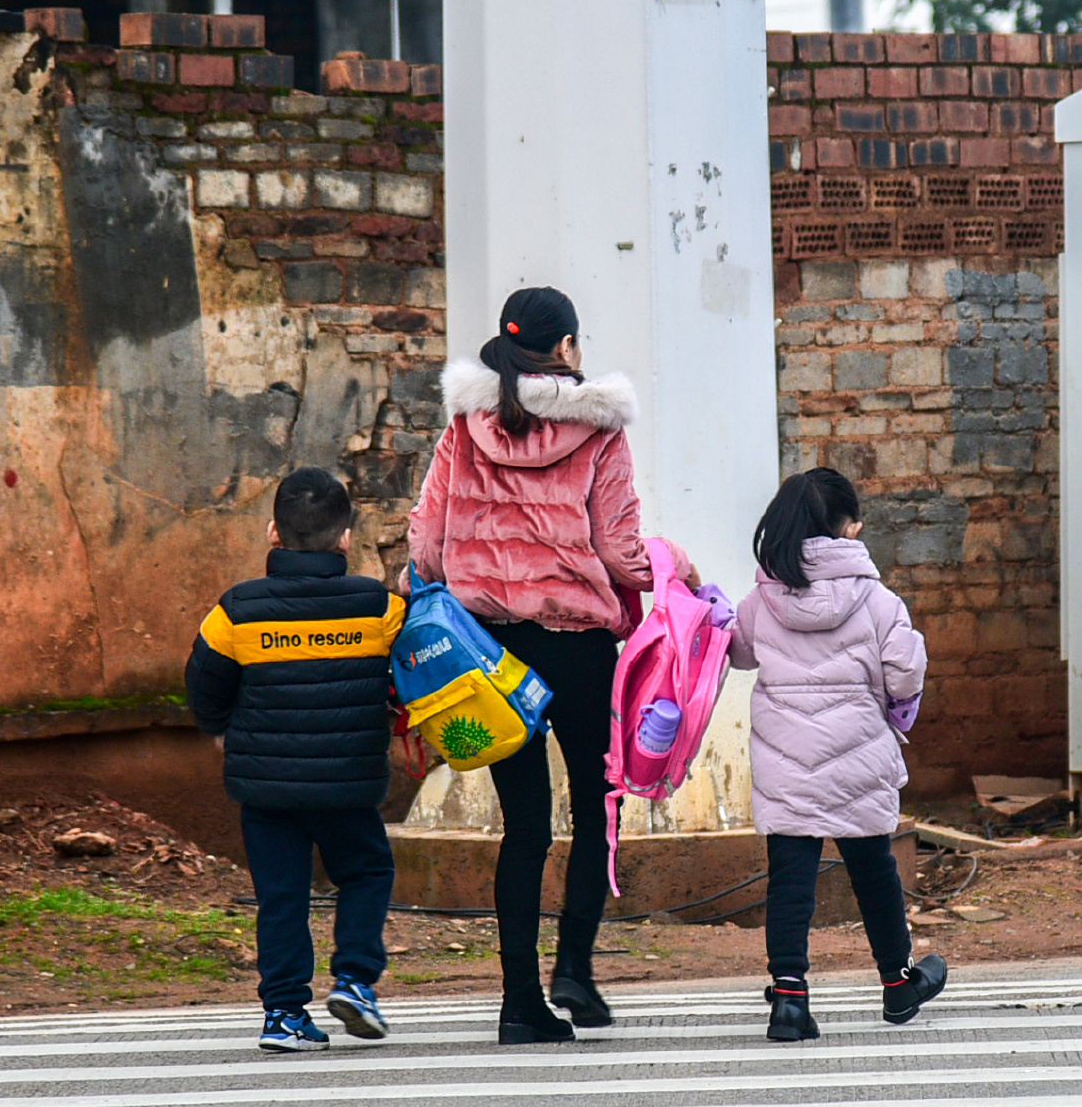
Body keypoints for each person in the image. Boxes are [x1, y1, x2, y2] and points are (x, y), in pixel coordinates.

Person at [407, 286, 699, 1045]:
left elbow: (428, 546)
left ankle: (518, 1003)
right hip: (574, 647)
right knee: (598, 805)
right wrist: (673, 566)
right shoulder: (599, 433)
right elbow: (617, 551)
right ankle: (573, 966)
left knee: (525, 827)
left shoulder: (464, 427)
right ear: (567, 348)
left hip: (487, 654)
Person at [186, 467, 405, 1052]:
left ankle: (283, 1015)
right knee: (366, 873)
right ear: (345, 539)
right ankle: (356, 980)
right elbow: (403, 684)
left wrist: (218, 730)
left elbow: (203, 685)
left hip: (267, 788)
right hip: (348, 784)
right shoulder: (380, 608)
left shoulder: (235, 611)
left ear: (272, 534)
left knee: (280, 897)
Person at [729, 467, 946, 1041]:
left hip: (785, 760)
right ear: (849, 529)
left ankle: (791, 1002)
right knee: (875, 873)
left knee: (790, 880)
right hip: (858, 757)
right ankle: (899, 985)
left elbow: (741, 655)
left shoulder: (759, 600)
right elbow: (904, 677)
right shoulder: (878, 599)